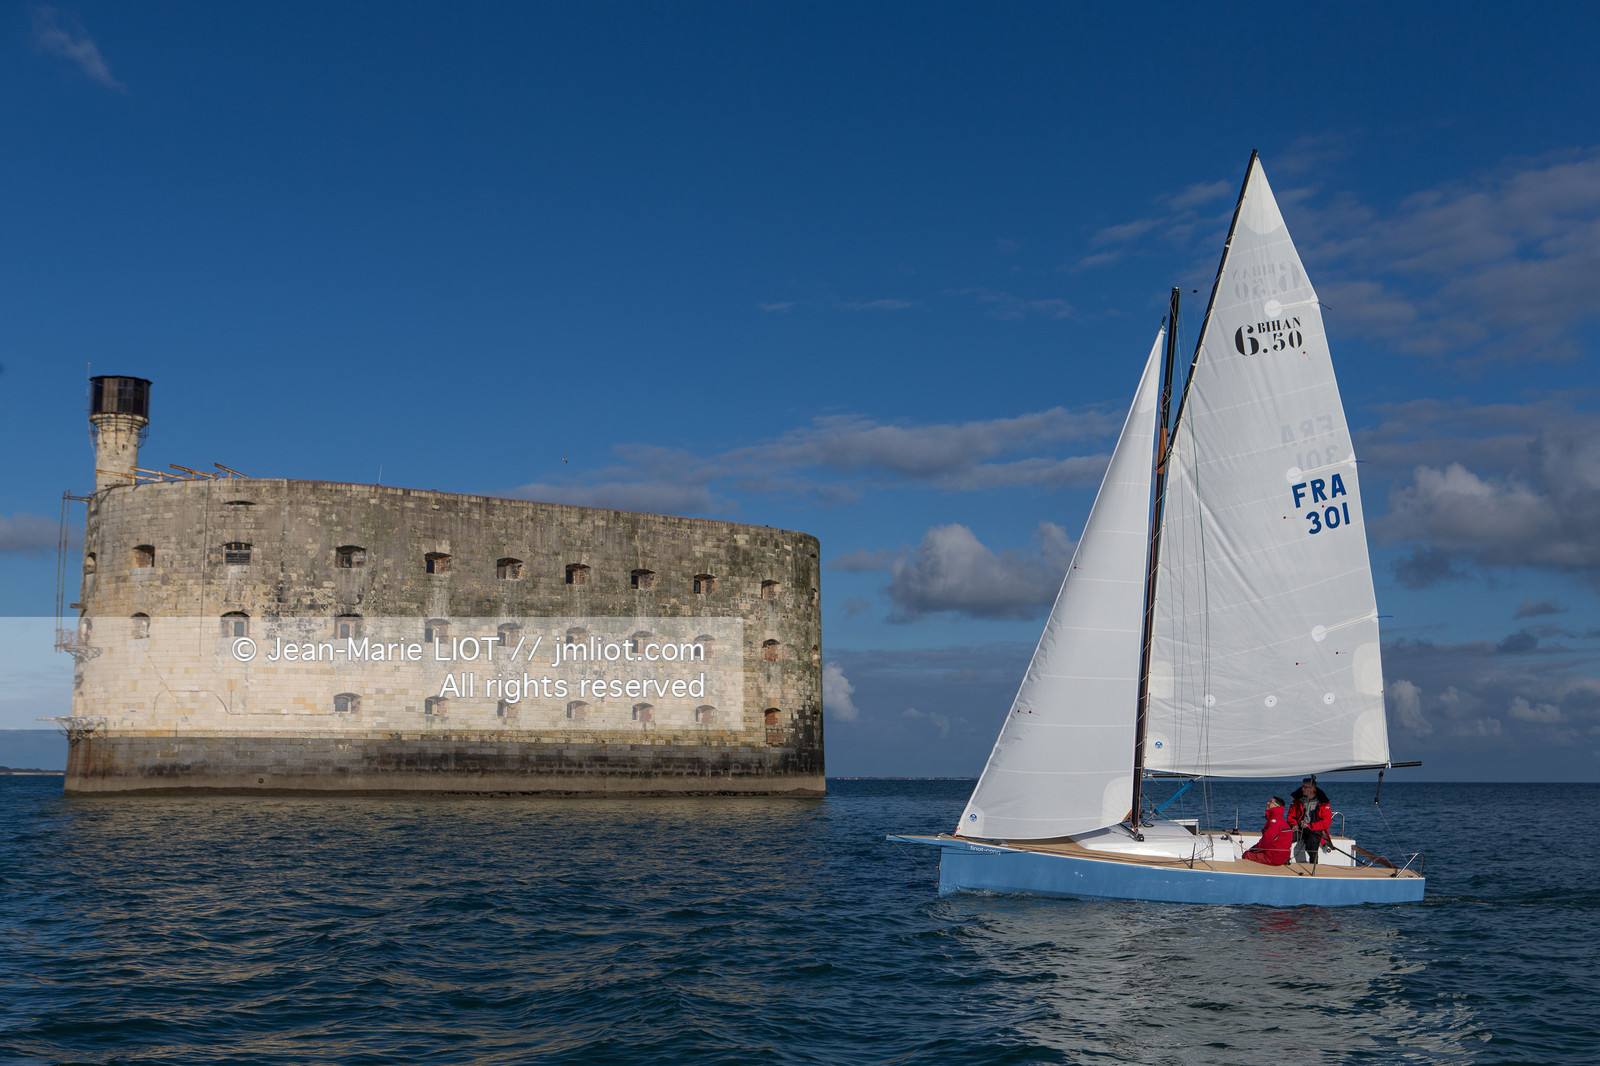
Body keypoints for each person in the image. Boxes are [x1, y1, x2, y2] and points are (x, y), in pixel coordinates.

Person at [1287, 776, 1334, 874]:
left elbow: (1326, 822)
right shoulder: (1297, 800)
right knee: (1286, 836)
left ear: (1312, 788)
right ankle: (1285, 860)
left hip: (1314, 829)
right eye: (1302, 786)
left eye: (1305, 787)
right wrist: (1293, 825)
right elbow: (1291, 815)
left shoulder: (1323, 803)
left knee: (1312, 842)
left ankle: (1313, 865)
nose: (1302, 789)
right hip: (1299, 828)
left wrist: (1310, 826)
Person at [1242, 796, 1291, 866]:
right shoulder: (1280, 820)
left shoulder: (1275, 821)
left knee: (1246, 854)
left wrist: (1252, 850)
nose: (1267, 803)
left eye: (1271, 802)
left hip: (1274, 857)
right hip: (1281, 856)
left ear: (1277, 806)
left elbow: (1266, 842)